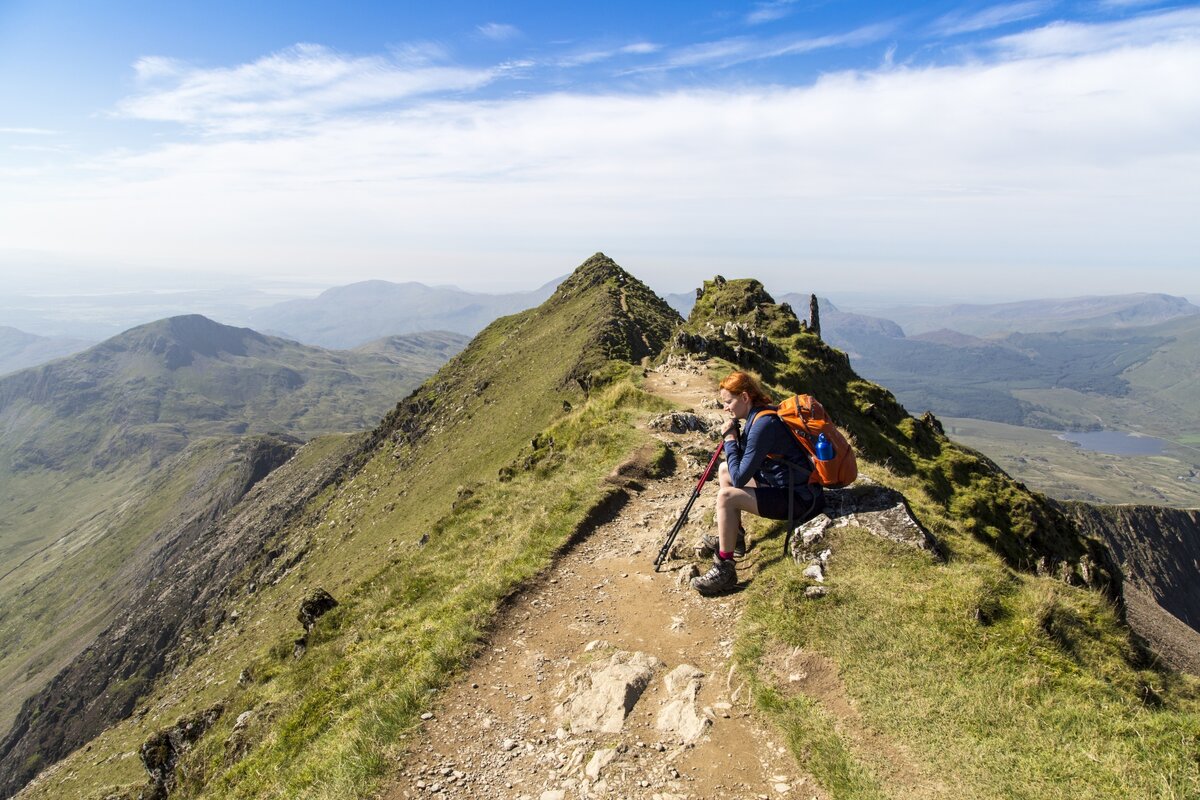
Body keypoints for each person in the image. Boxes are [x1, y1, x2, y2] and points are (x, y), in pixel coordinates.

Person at [691, 371, 825, 596]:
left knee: (726, 498)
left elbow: (741, 477)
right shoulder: (760, 416)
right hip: (786, 487)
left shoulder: (763, 425)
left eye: (728, 402)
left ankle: (725, 569)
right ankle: (736, 539)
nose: (726, 408)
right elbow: (737, 469)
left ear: (744, 397)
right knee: (724, 470)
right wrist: (735, 440)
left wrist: (730, 439)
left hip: (800, 499)